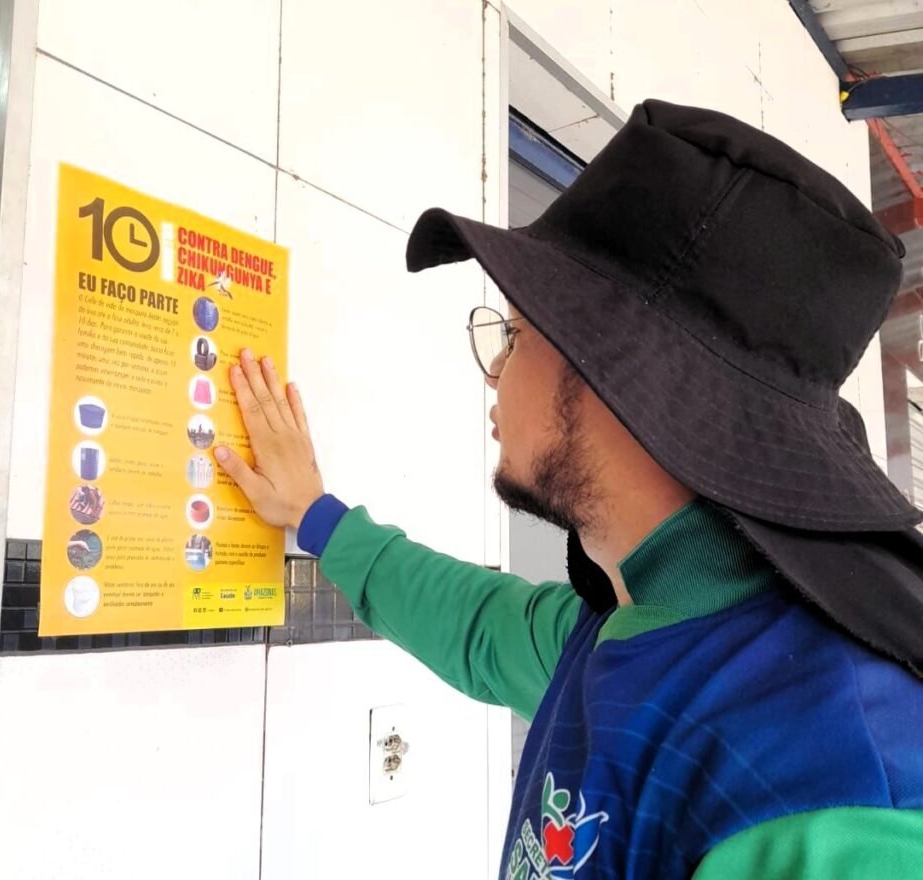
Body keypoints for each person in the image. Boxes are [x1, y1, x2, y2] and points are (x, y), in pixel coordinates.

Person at [212, 100, 923, 878]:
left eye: (514, 334)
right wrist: (312, 514)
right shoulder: (631, 623)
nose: (494, 372)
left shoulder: (837, 802)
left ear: (626, 381)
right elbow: (478, 626)